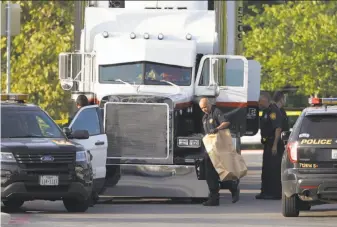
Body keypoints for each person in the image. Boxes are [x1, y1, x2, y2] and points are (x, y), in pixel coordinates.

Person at [199, 97, 240, 206]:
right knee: (209, 174)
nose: (204, 109)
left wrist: (217, 128)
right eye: (202, 108)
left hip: (219, 148)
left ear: (209, 104)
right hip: (209, 149)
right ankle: (214, 198)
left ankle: (233, 187)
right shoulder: (204, 117)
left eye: (205, 107)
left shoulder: (216, 112)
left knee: (221, 172)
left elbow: (226, 123)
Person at [255, 92, 283, 200]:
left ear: (265, 100)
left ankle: (274, 193)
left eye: (260, 101)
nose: (258, 103)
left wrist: (275, 145)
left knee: (273, 169)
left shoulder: (273, 111)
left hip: (273, 144)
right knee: (266, 169)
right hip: (267, 144)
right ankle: (265, 192)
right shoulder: (266, 111)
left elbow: (278, 128)